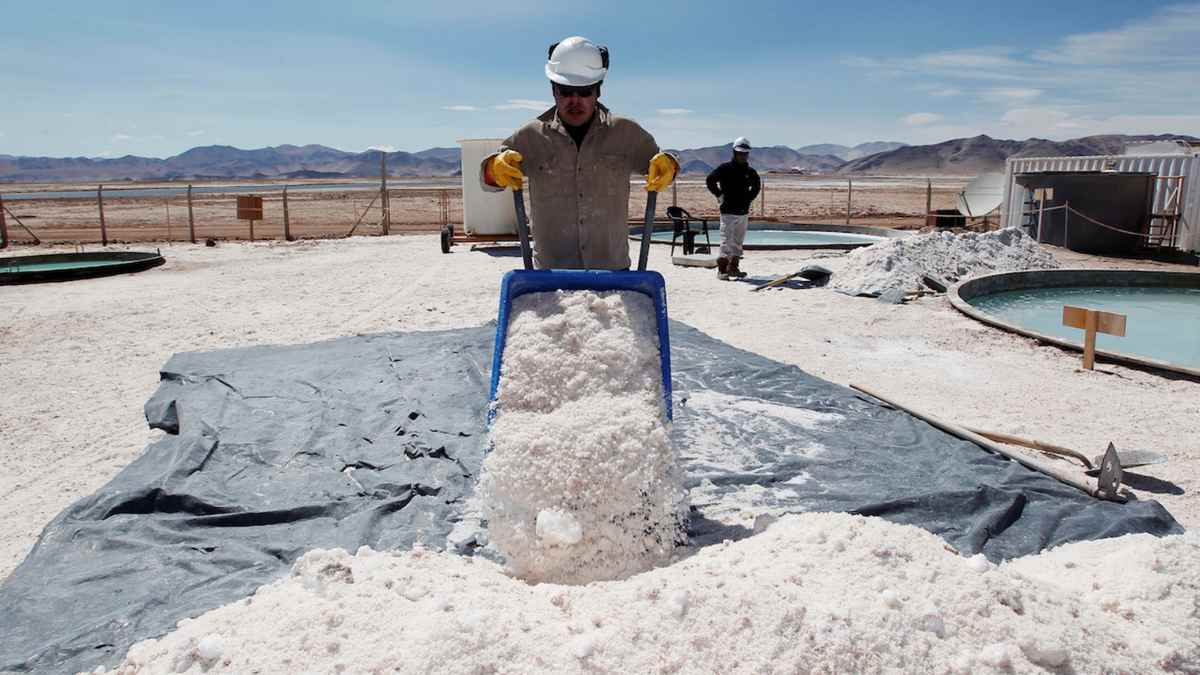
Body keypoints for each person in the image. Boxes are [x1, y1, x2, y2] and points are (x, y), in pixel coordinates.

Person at [480, 36, 678, 270]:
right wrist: (494, 168)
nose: (575, 100)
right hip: (550, 277)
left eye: (584, 91)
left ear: (598, 92)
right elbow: (487, 181)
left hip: (613, 273)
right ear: (554, 90)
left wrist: (670, 166)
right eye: (566, 91)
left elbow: (662, 166)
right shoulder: (529, 136)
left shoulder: (627, 133)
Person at [705, 137, 760, 280]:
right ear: (734, 152)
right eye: (740, 153)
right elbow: (710, 180)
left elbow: (756, 186)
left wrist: (748, 198)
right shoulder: (725, 169)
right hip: (728, 211)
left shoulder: (750, 172)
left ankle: (733, 267)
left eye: (745, 153)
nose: (743, 156)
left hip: (743, 212)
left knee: (738, 241)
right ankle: (722, 269)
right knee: (726, 241)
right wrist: (719, 194)